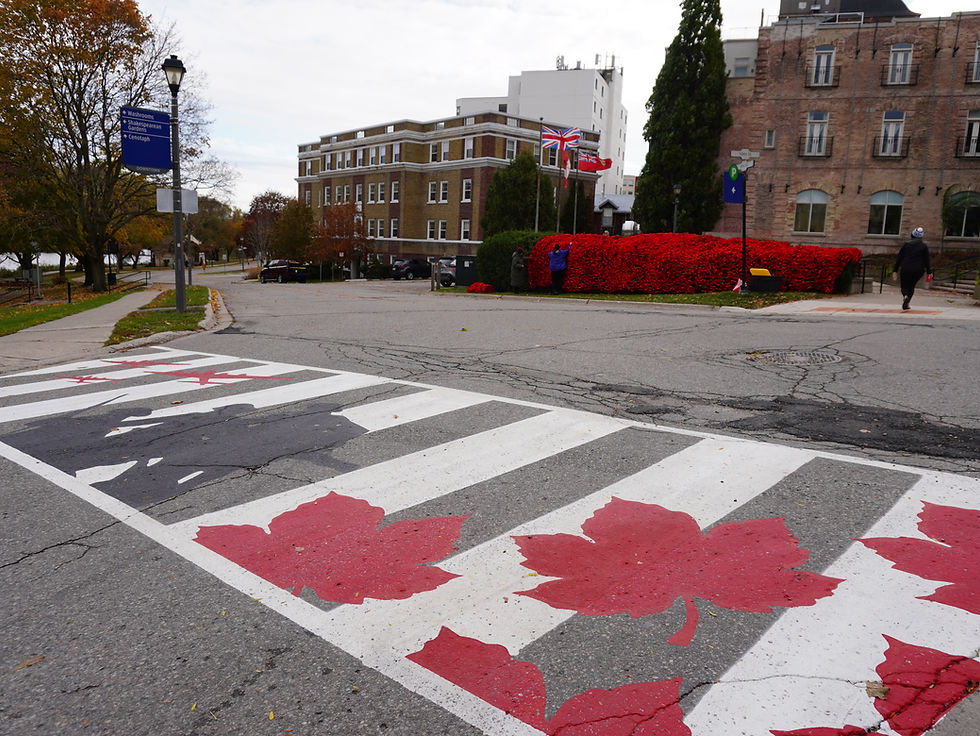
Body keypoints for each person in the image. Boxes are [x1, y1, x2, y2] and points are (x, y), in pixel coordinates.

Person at [892, 227, 932, 310]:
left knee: (904, 285)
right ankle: (907, 303)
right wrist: (929, 272)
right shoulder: (923, 246)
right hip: (918, 270)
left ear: (912, 235)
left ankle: (905, 296)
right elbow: (927, 260)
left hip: (906, 268)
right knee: (911, 286)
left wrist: (895, 270)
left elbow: (899, 258)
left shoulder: (906, 245)